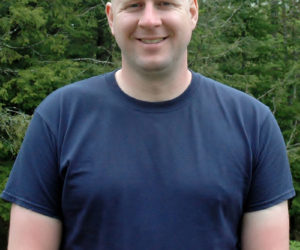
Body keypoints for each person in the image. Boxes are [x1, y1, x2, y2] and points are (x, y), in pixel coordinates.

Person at [1, 0, 295, 249]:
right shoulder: (58, 117)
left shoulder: (253, 123)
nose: (149, 20)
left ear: (192, 12)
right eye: (134, 5)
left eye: (165, 3)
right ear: (111, 17)